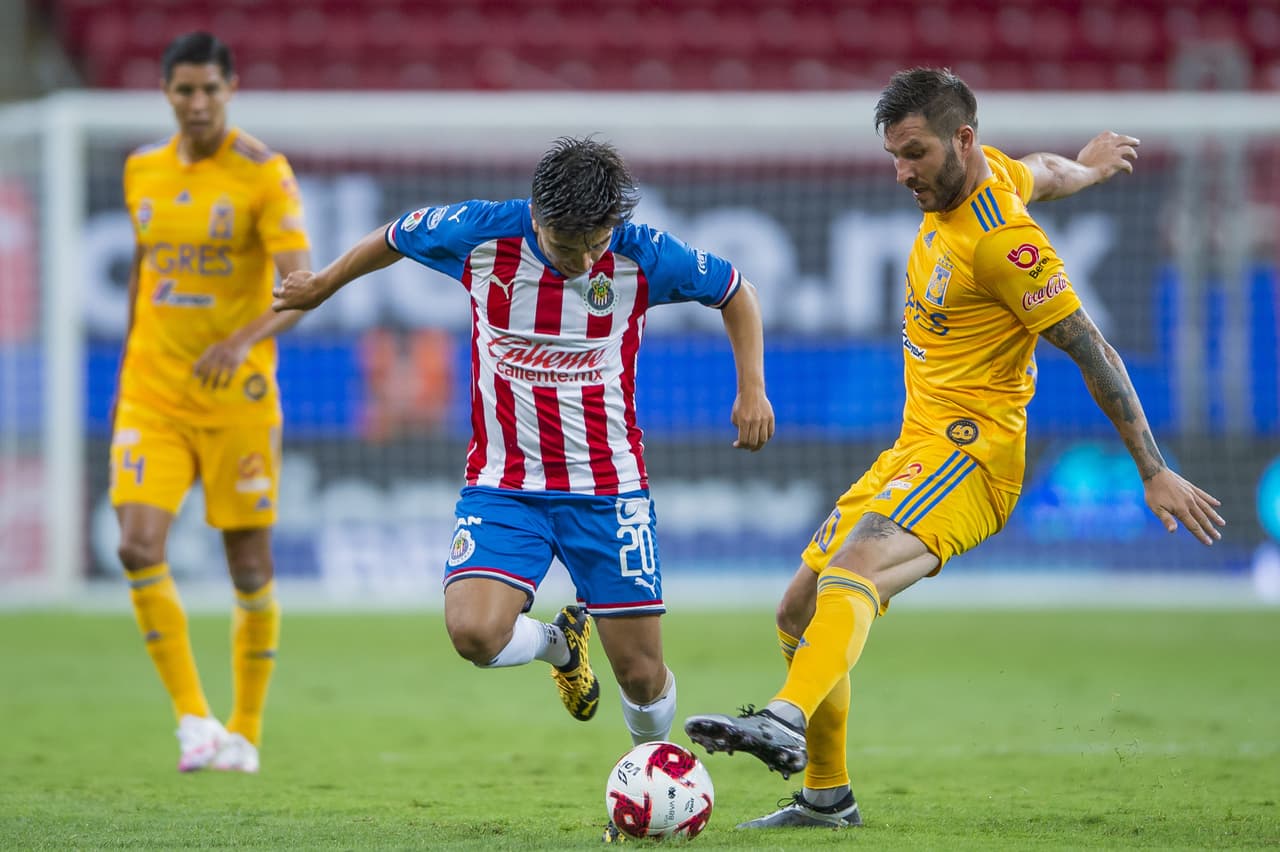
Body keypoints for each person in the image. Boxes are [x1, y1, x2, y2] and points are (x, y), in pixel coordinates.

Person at [683, 67, 1226, 830]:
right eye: (893, 157)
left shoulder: (1004, 246)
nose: (902, 173)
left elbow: (1093, 350)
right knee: (797, 611)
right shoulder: (989, 173)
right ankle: (824, 799)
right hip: (916, 446)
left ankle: (783, 718)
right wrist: (1092, 167)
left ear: (961, 140)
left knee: (853, 570)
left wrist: (1154, 468)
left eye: (914, 154)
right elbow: (1042, 170)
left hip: (974, 457)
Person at [270, 135, 774, 785]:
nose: (586, 258)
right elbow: (396, 234)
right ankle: (559, 645)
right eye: (569, 247)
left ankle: (649, 782)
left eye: (597, 242)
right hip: (504, 487)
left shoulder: (643, 254)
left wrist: (752, 387)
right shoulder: (481, 234)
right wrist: (321, 285)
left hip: (609, 489)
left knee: (643, 674)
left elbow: (736, 290)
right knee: (474, 634)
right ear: (536, 216)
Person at [110, 31, 311, 774]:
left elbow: (303, 288)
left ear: (231, 89)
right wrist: (127, 378)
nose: (196, 103)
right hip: (152, 392)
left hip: (237, 397)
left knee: (248, 564)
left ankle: (245, 732)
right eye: (183, 90)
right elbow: (142, 270)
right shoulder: (141, 170)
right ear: (166, 93)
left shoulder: (264, 175)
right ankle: (193, 721)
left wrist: (243, 339)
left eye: (209, 90)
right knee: (136, 545)